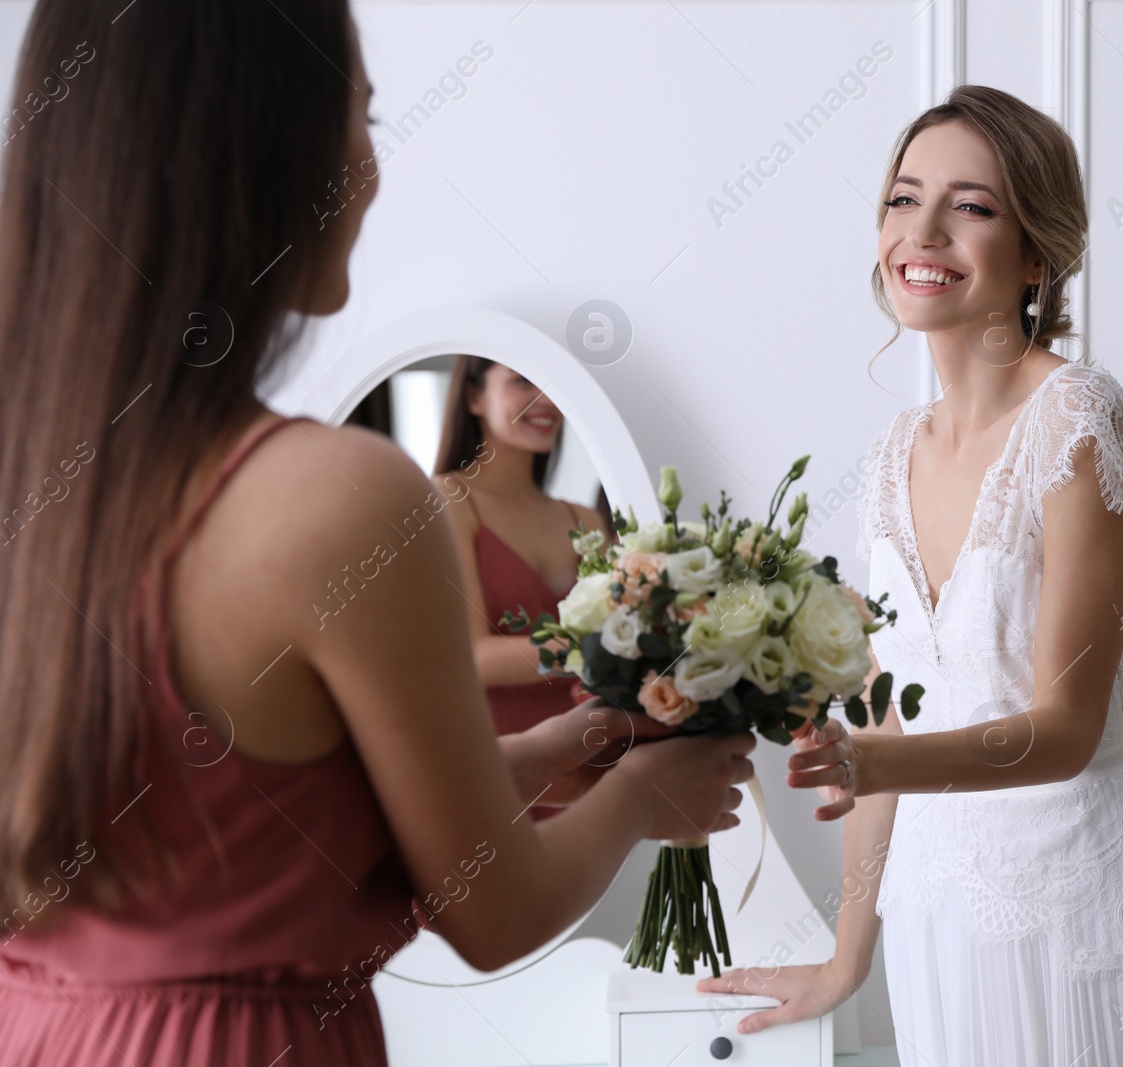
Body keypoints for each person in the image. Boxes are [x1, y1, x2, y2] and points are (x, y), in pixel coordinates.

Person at [0, 3, 751, 1064]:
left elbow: (238, 810)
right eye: (362, 115)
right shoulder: (340, 497)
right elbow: (492, 908)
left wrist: (543, 749)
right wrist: (639, 794)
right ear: (262, 140)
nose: (373, 165)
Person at [697, 86, 1123, 1066]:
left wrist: (876, 762)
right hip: (934, 919)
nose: (924, 230)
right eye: (904, 199)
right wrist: (843, 959)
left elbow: (1067, 728)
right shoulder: (891, 453)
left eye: (972, 206)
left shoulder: (1080, 417)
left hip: (1081, 913)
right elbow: (883, 719)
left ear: (1035, 253)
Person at [432, 358, 606, 823]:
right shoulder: (447, 501)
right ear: (473, 397)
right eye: (523, 380)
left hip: (588, 762)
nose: (546, 399)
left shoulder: (584, 520)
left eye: (553, 383)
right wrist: (599, 648)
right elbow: (472, 659)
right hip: (496, 762)